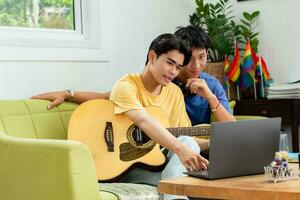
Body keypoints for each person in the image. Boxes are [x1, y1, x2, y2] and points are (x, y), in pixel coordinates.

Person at [34, 33, 208, 200]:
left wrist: (211, 143)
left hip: (157, 162)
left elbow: (181, 137)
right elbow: (142, 120)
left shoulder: (174, 93)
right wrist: (181, 149)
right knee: (187, 173)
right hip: (124, 165)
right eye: (170, 63)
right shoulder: (126, 85)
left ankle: (174, 194)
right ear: (153, 57)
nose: (173, 72)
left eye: (178, 67)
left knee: (189, 143)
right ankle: (175, 193)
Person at [32, 25, 235, 151]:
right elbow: (108, 98)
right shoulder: (158, 80)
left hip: (190, 145)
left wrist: (209, 97)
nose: (197, 66)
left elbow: (232, 129)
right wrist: (70, 94)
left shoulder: (206, 85)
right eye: (189, 60)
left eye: (203, 58)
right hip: (168, 148)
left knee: (189, 144)